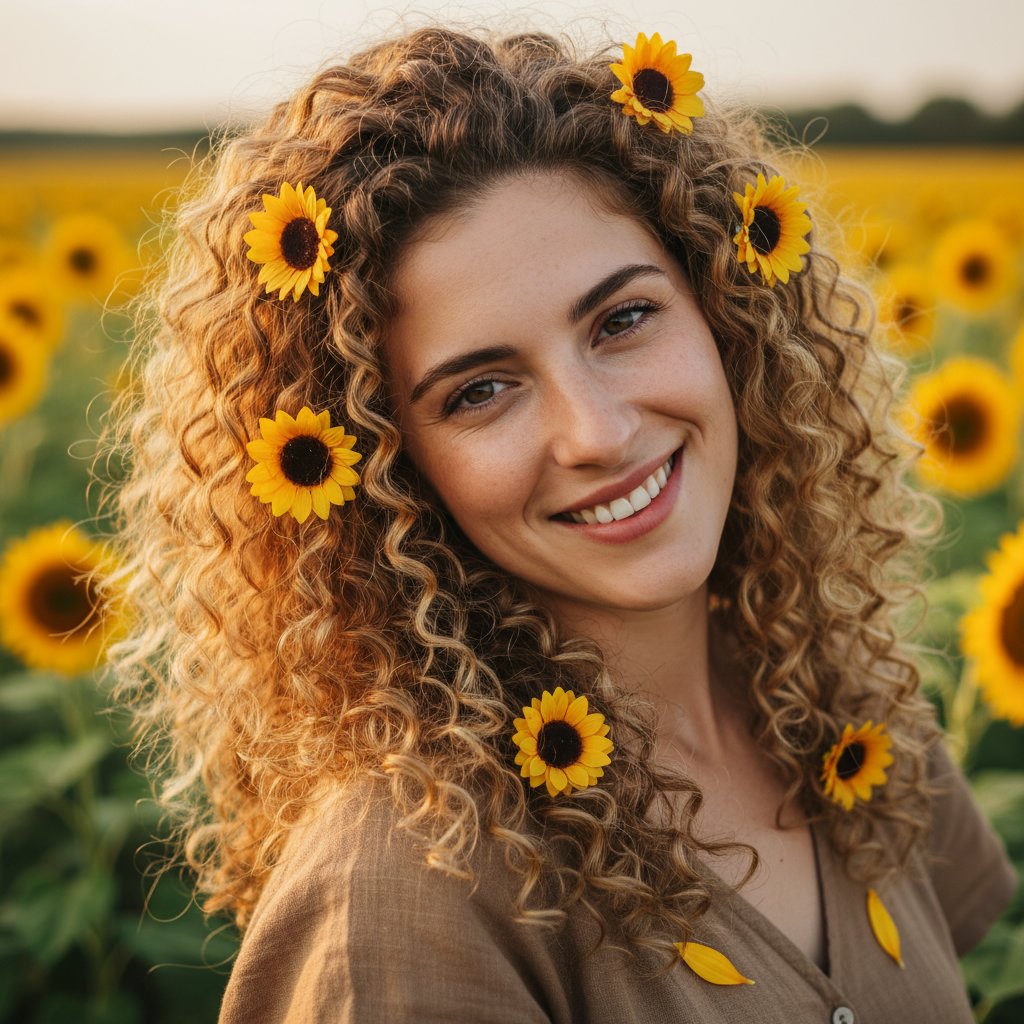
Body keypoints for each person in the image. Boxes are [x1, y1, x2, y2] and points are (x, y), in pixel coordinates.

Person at [102, 24, 1017, 1022]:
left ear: (725, 312)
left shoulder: (843, 705)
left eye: (621, 320)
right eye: (482, 390)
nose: (596, 432)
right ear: (381, 466)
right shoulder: (410, 893)